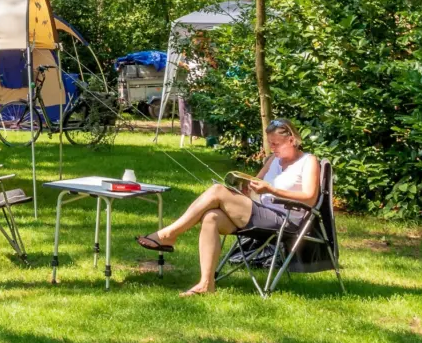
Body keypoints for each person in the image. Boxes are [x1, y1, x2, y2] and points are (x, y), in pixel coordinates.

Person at [136, 119, 320, 296]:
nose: (272, 148)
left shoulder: (308, 161)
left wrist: (271, 190)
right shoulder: (274, 159)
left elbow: (310, 198)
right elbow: (256, 183)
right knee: (211, 217)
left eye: (276, 144)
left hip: (285, 221)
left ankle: (169, 234)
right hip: (262, 212)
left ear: (291, 140)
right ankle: (206, 284)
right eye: (270, 143)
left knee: (217, 191)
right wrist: (246, 188)